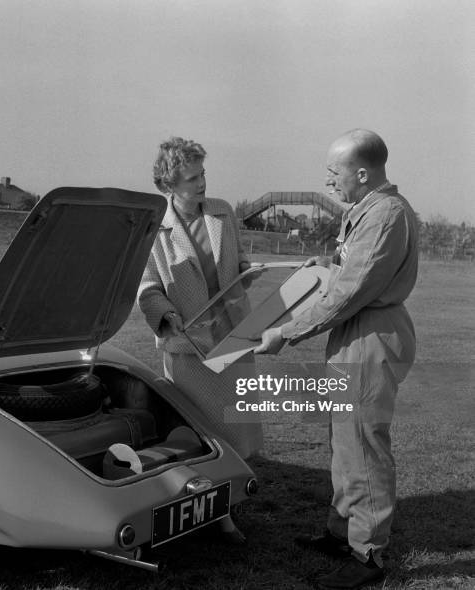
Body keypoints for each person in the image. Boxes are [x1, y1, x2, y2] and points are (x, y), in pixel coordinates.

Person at [254, 129, 418, 589]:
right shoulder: (365, 211)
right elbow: (346, 269)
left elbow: (350, 292)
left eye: (334, 173)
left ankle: (367, 558)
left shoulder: (386, 215)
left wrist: (286, 332)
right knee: (343, 442)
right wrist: (321, 267)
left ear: (362, 173)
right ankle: (342, 532)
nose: (328, 182)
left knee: (364, 445)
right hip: (353, 336)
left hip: (369, 336)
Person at [137, 137, 263, 544]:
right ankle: (205, 513)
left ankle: (225, 510)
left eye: (203, 173)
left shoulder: (223, 212)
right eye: (192, 178)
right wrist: (165, 314)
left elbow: (237, 262)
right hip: (189, 346)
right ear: (169, 185)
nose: (202, 182)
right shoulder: (155, 228)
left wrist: (249, 269)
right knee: (200, 435)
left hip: (235, 336)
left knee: (236, 431)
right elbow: (148, 287)